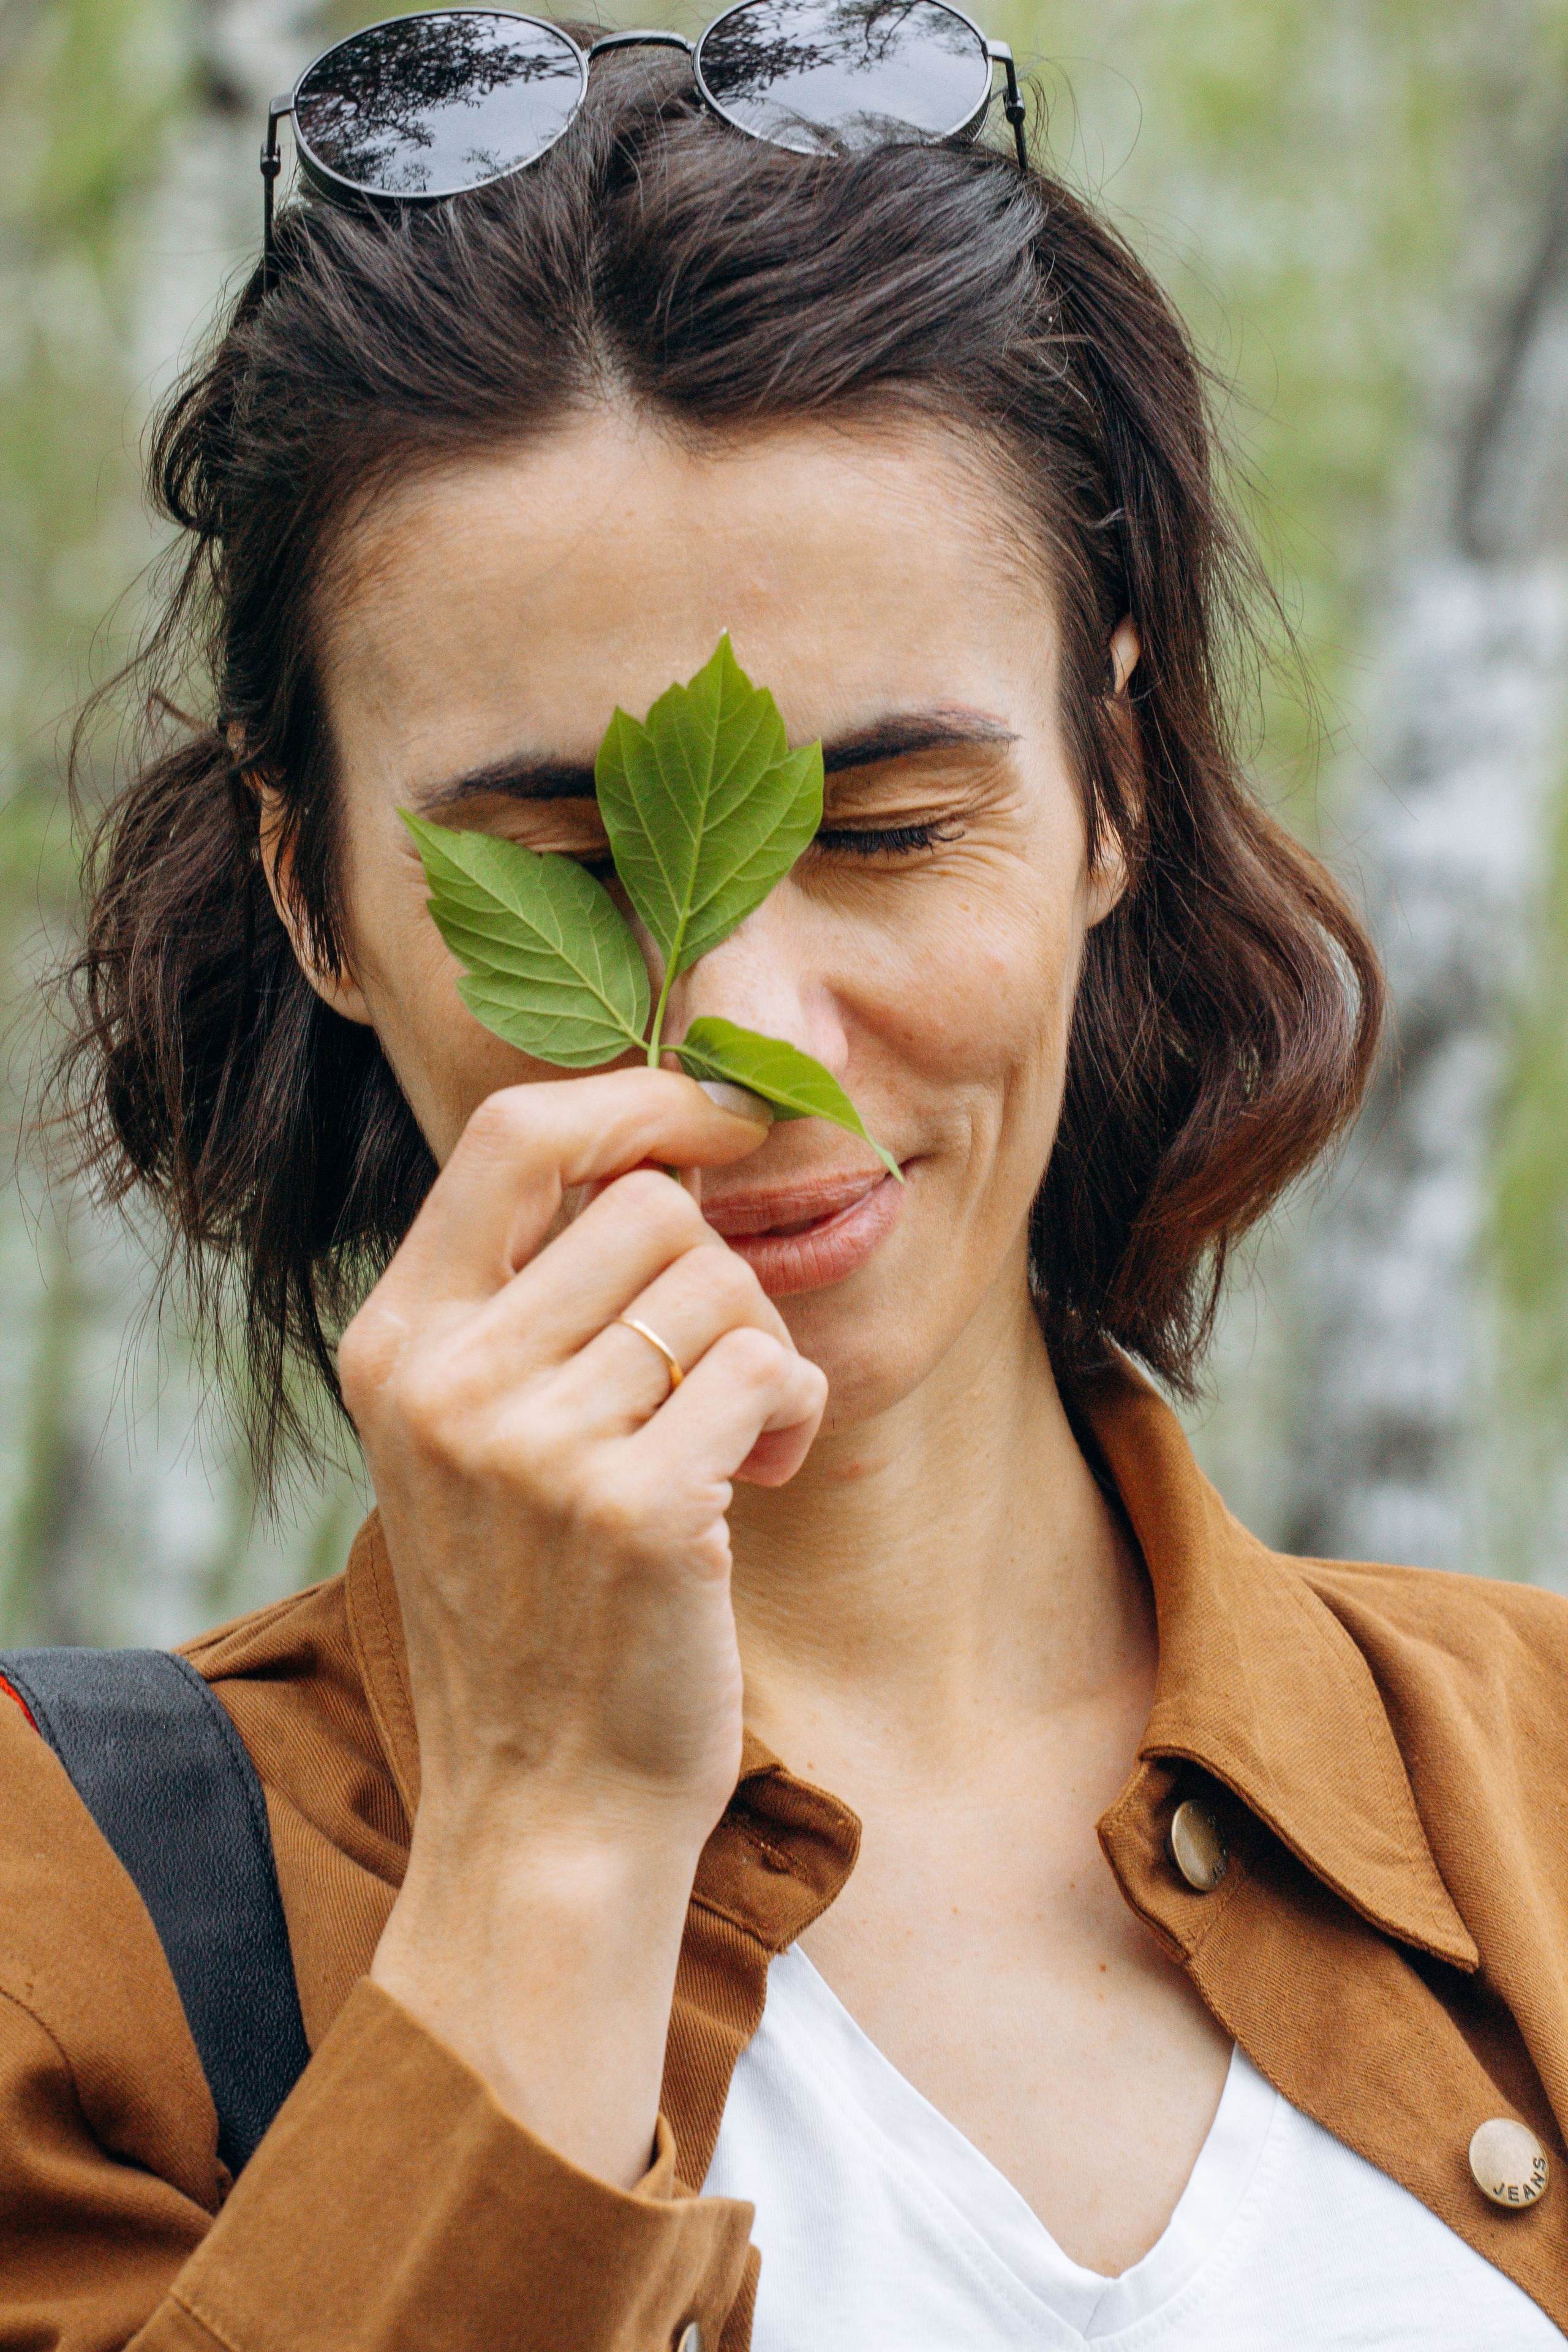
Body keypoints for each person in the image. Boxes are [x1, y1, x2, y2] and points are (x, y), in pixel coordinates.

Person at [4, 12, 1568, 2348]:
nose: (757, 1057)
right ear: (312, 889)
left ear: (1111, 793)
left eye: (894, 831)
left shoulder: (1531, 1784)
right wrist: (542, 1836)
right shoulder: (70, 1919)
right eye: (547, 865)